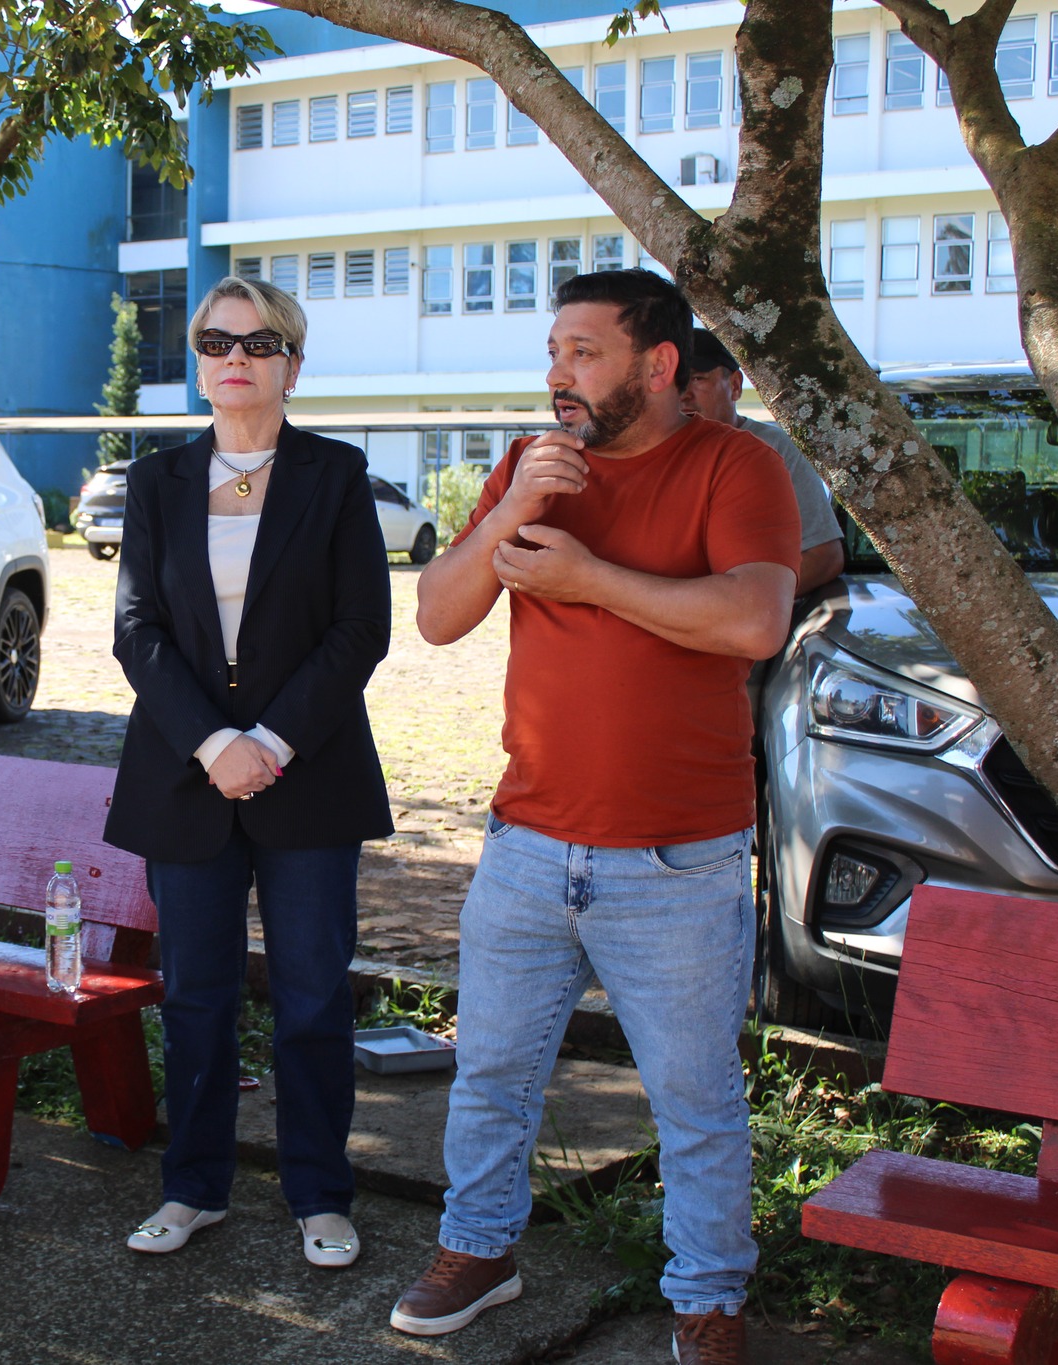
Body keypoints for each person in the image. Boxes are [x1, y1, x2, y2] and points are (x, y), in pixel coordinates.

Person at [396, 270, 799, 1365]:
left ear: (656, 364)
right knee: (490, 1073)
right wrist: (512, 511)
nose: (557, 373)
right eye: (553, 351)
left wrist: (588, 578)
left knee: (695, 1099)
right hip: (527, 840)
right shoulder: (531, 467)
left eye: (583, 352)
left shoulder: (733, 465)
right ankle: (477, 1249)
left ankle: (708, 1299)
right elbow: (436, 616)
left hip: (676, 858)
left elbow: (754, 620)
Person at [106, 275, 393, 1269]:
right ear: (197, 362)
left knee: (312, 995)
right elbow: (136, 629)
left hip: (305, 772)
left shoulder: (335, 474)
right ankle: (193, 1186)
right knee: (195, 995)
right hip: (185, 775)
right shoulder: (156, 480)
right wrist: (212, 743)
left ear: (291, 365)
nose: (236, 357)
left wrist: (267, 741)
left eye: (259, 343)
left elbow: (361, 627)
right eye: (217, 341)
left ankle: (319, 1193)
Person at [680, 328, 844, 595]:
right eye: (672, 381)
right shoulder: (643, 449)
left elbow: (824, 556)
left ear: (735, 386)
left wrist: (747, 603)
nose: (683, 394)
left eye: (697, 378)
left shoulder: (774, 448)